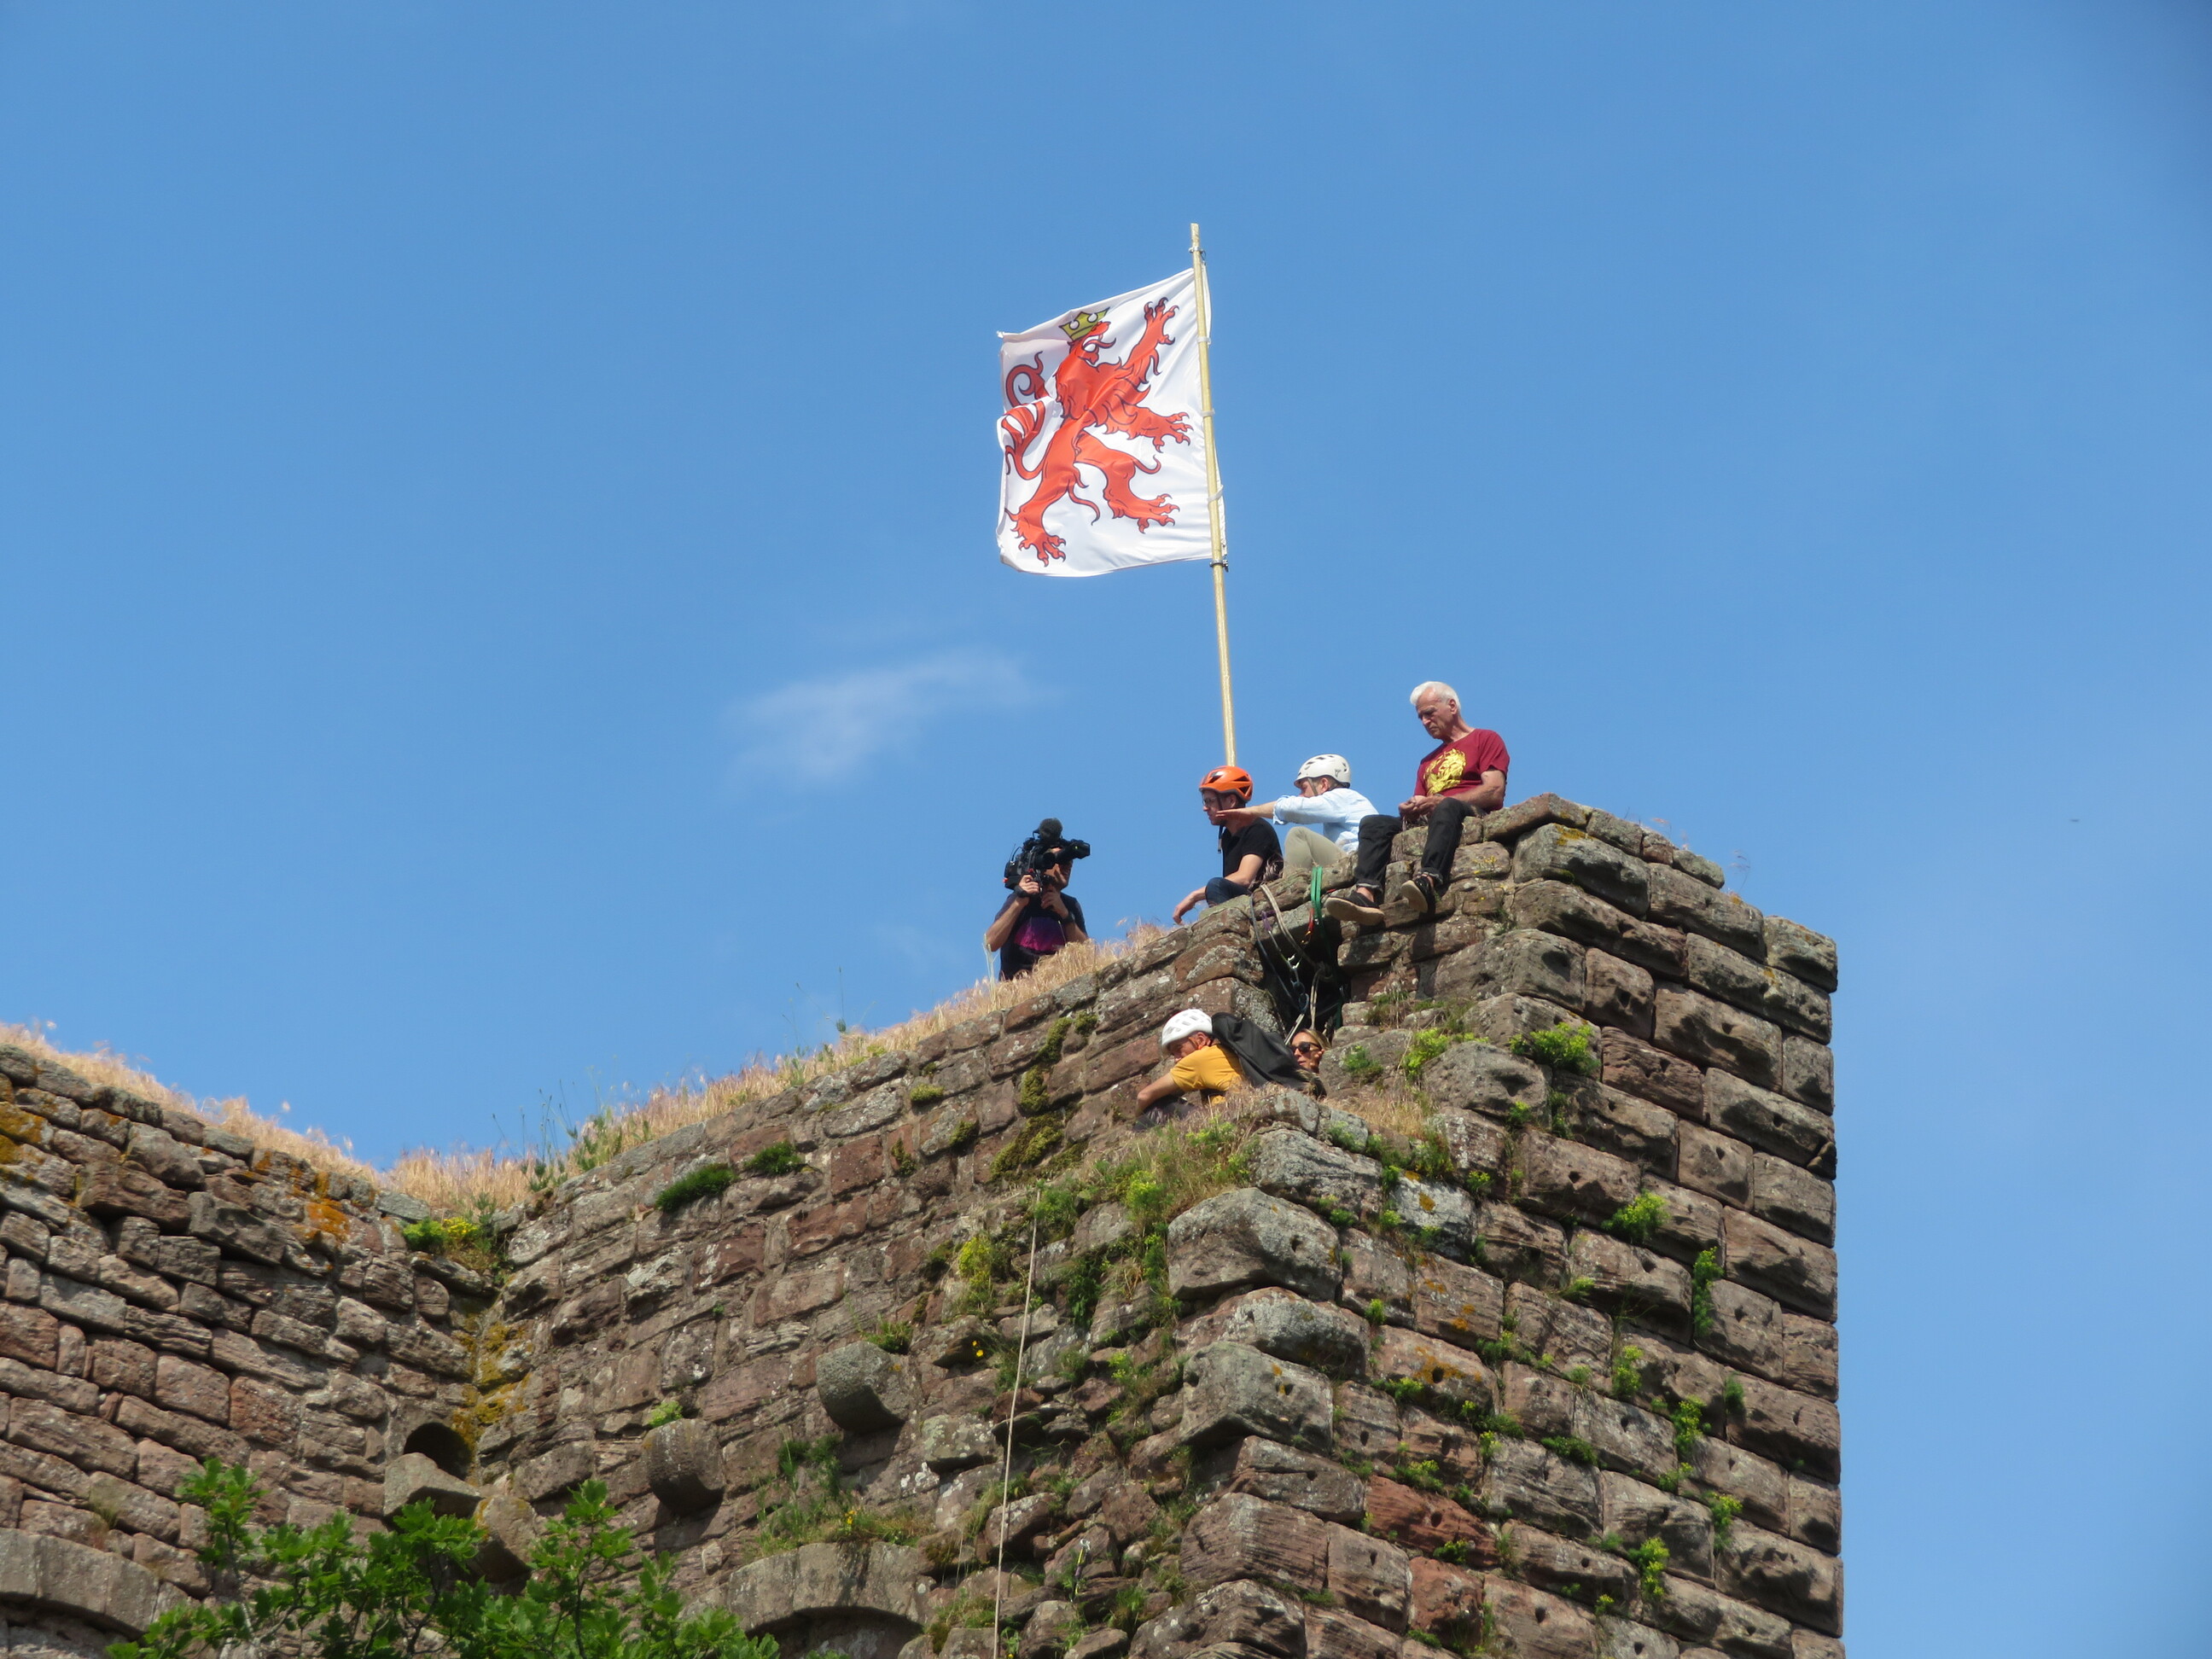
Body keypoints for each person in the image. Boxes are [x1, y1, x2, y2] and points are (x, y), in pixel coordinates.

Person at [1325, 682, 1509, 928]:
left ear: (1452, 706)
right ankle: (1365, 895)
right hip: (1434, 816)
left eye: (1429, 713)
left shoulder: (1485, 739)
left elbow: (1494, 790)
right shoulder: (1427, 761)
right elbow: (1421, 804)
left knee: (1447, 806)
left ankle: (1427, 880)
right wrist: (1411, 809)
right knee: (1374, 824)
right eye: (1421, 717)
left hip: (1466, 813)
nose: (1424, 721)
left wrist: (1444, 800)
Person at [1214, 754, 1377, 885]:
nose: (1301, 795)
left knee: (1298, 835)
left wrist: (1252, 811)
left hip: (1357, 864)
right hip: (1358, 864)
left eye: (1304, 788)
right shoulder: (1343, 805)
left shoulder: (1343, 797)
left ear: (1324, 784)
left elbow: (1294, 808)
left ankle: (1289, 888)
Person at [1171, 765, 1284, 924]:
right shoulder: (1227, 837)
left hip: (1265, 902)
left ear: (1231, 801)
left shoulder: (1257, 828)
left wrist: (1195, 895)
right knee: (1217, 886)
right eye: (1205, 801)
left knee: (1216, 885)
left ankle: (1226, 928)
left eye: (1210, 801)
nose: (1205, 808)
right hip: (1246, 901)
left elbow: (1244, 878)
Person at [984, 818, 1089, 980]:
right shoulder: (1020, 900)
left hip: (1058, 985)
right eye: (1061, 861)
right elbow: (991, 943)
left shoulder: (1070, 905)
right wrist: (1019, 902)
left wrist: (1066, 916)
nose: (1067, 866)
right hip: (1018, 988)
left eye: (1070, 862)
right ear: (1046, 864)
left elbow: (1086, 954)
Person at [1134, 1009, 1242, 1108]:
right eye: (1173, 1054)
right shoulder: (1221, 1050)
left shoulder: (1199, 1060)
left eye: (1179, 1048)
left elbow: (1144, 1096)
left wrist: (1137, 1118)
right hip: (1238, 1107)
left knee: (1156, 1108)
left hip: (1234, 1110)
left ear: (1201, 1040)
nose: (1176, 1059)